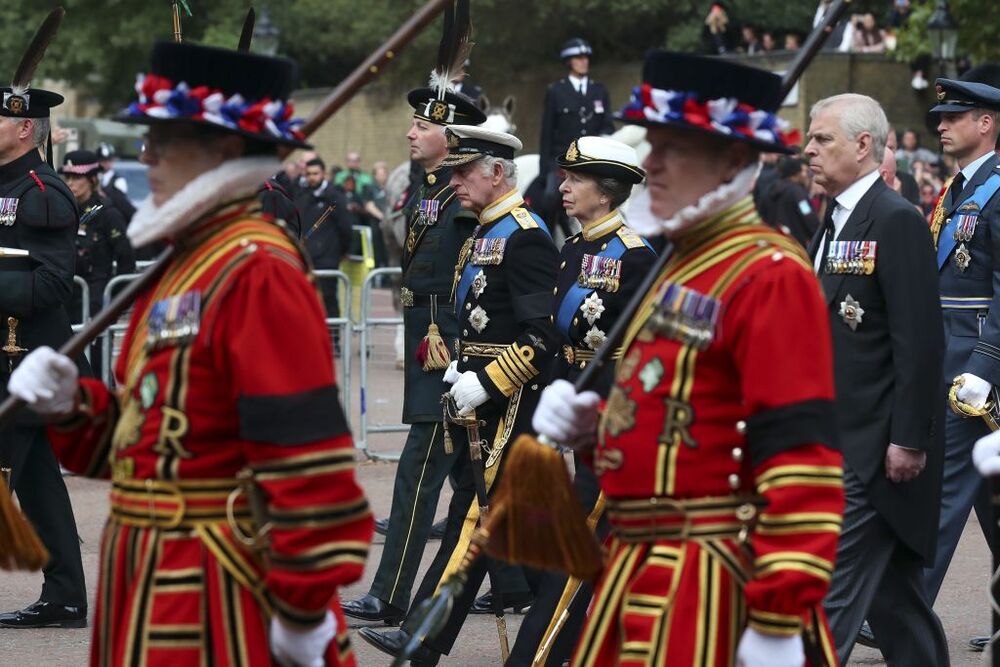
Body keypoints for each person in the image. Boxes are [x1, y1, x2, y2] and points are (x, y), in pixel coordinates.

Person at [6, 40, 373, 665]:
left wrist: (305, 603)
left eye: (163, 141)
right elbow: (146, 437)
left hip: (223, 590)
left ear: (224, 153)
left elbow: (305, 460)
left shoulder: (257, 270)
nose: (144, 156)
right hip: (152, 581)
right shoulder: (184, 264)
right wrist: (73, 404)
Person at [532, 50, 843, 667]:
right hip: (638, 564)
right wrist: (597, 432)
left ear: (731, 158)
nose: (650, 165)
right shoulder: (681, 261)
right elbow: (678, 406)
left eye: (672, 147)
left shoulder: (768, 272)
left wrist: (780, 614)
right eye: (652, 144)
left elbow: (801, 459)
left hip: (714, 579)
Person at [358, 125, 559, 665]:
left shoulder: (526, 235)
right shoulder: (481, 232)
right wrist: (457, 367)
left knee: (472, 521)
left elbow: (542, 336)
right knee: (483, 522)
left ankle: (422, 636)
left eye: (466, 171)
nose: (455, 180)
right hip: (474, 402)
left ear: (497, 173)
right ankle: (529, 599)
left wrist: (487, 380)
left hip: (508, 404)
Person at [802, 93, 948, 666]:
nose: (809, 150)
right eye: (810, 140)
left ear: (864, 145)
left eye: (822, 139)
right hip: (838, 438)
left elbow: (920, 342)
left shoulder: (895, 219)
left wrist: (908, 439)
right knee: (895, 606)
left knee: (822, 603)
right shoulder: (835, 221)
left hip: (873, 452)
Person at [342, 85, 488, 626]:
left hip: (449, 350)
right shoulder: (430, 188)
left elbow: (480, 280)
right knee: (476, 482)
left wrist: (460, 347)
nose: (410, 132)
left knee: (416, 474)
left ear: (452, 139)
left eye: (423, 126)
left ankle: (390, 595)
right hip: (431, 342)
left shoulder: (463, 200)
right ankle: (524, 583)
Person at [507, 136, 655, 667]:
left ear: (607, 191)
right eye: (565, 178)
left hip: (608, 421)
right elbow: (562, 339)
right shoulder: (574, 248)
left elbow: (637, 355)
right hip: (569, 411)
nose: (563, 188)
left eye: (575, 180)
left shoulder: (636, 258)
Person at [0, 37, 89, 631]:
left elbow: (55, 284)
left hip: (28, 358)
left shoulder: (43, 194)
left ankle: (65, 597)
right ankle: (66, 598)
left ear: (26, 129)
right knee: (36, 483)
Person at [923, 76, 1000, 654]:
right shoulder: (956, 188)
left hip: (975, 361)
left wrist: (986, 362)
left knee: (944, 488)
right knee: (984, 496)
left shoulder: (997, 188)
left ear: (987, 123)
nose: (942, 125)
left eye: (955, 115)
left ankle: (902, 607)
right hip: (949, 351)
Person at [59, 149, 135, 374]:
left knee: (97, 365)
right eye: (68, 177)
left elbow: (126, 259)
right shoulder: (65, 208)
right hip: (67, 298)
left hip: (95, 300)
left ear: (92, 179)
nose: (71, 183)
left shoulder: (107, 212)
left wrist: (114, 303)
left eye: (77, 178)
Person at [538, 38, 614, 237]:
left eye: (586, 58)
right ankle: (548, 240)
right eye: (579, 58)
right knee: (548, 199)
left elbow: (607, 124)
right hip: (562, 161)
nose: (584, 62)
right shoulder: (556, 91)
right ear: (569, 61)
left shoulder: (600, 90)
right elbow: (547, 133)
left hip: (592, 159)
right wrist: (544, 170)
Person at [293, 156, 352, 320]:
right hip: (306, 258)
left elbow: (346, 228)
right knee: (305, 301)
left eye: (315, 174)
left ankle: (334, 342)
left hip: (328, 258)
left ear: (324, 174)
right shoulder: (302, 196)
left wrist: (343, 251)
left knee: (328, 300)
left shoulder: (335, 197)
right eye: (309, 174)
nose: (312, 177)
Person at [759, 156, 821, 247]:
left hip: (772, 243)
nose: (805, 175)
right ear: (795, 173)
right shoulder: (797, 193)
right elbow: (808, 215)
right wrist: (817, 237)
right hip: (794, 245)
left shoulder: (769, 190)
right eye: (802, 171)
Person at [96, 141, 137, 224]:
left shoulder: (118, 181)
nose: (105, 163)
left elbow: (122, 204)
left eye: (108, 160)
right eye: (102, 161)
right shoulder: (94, 178)